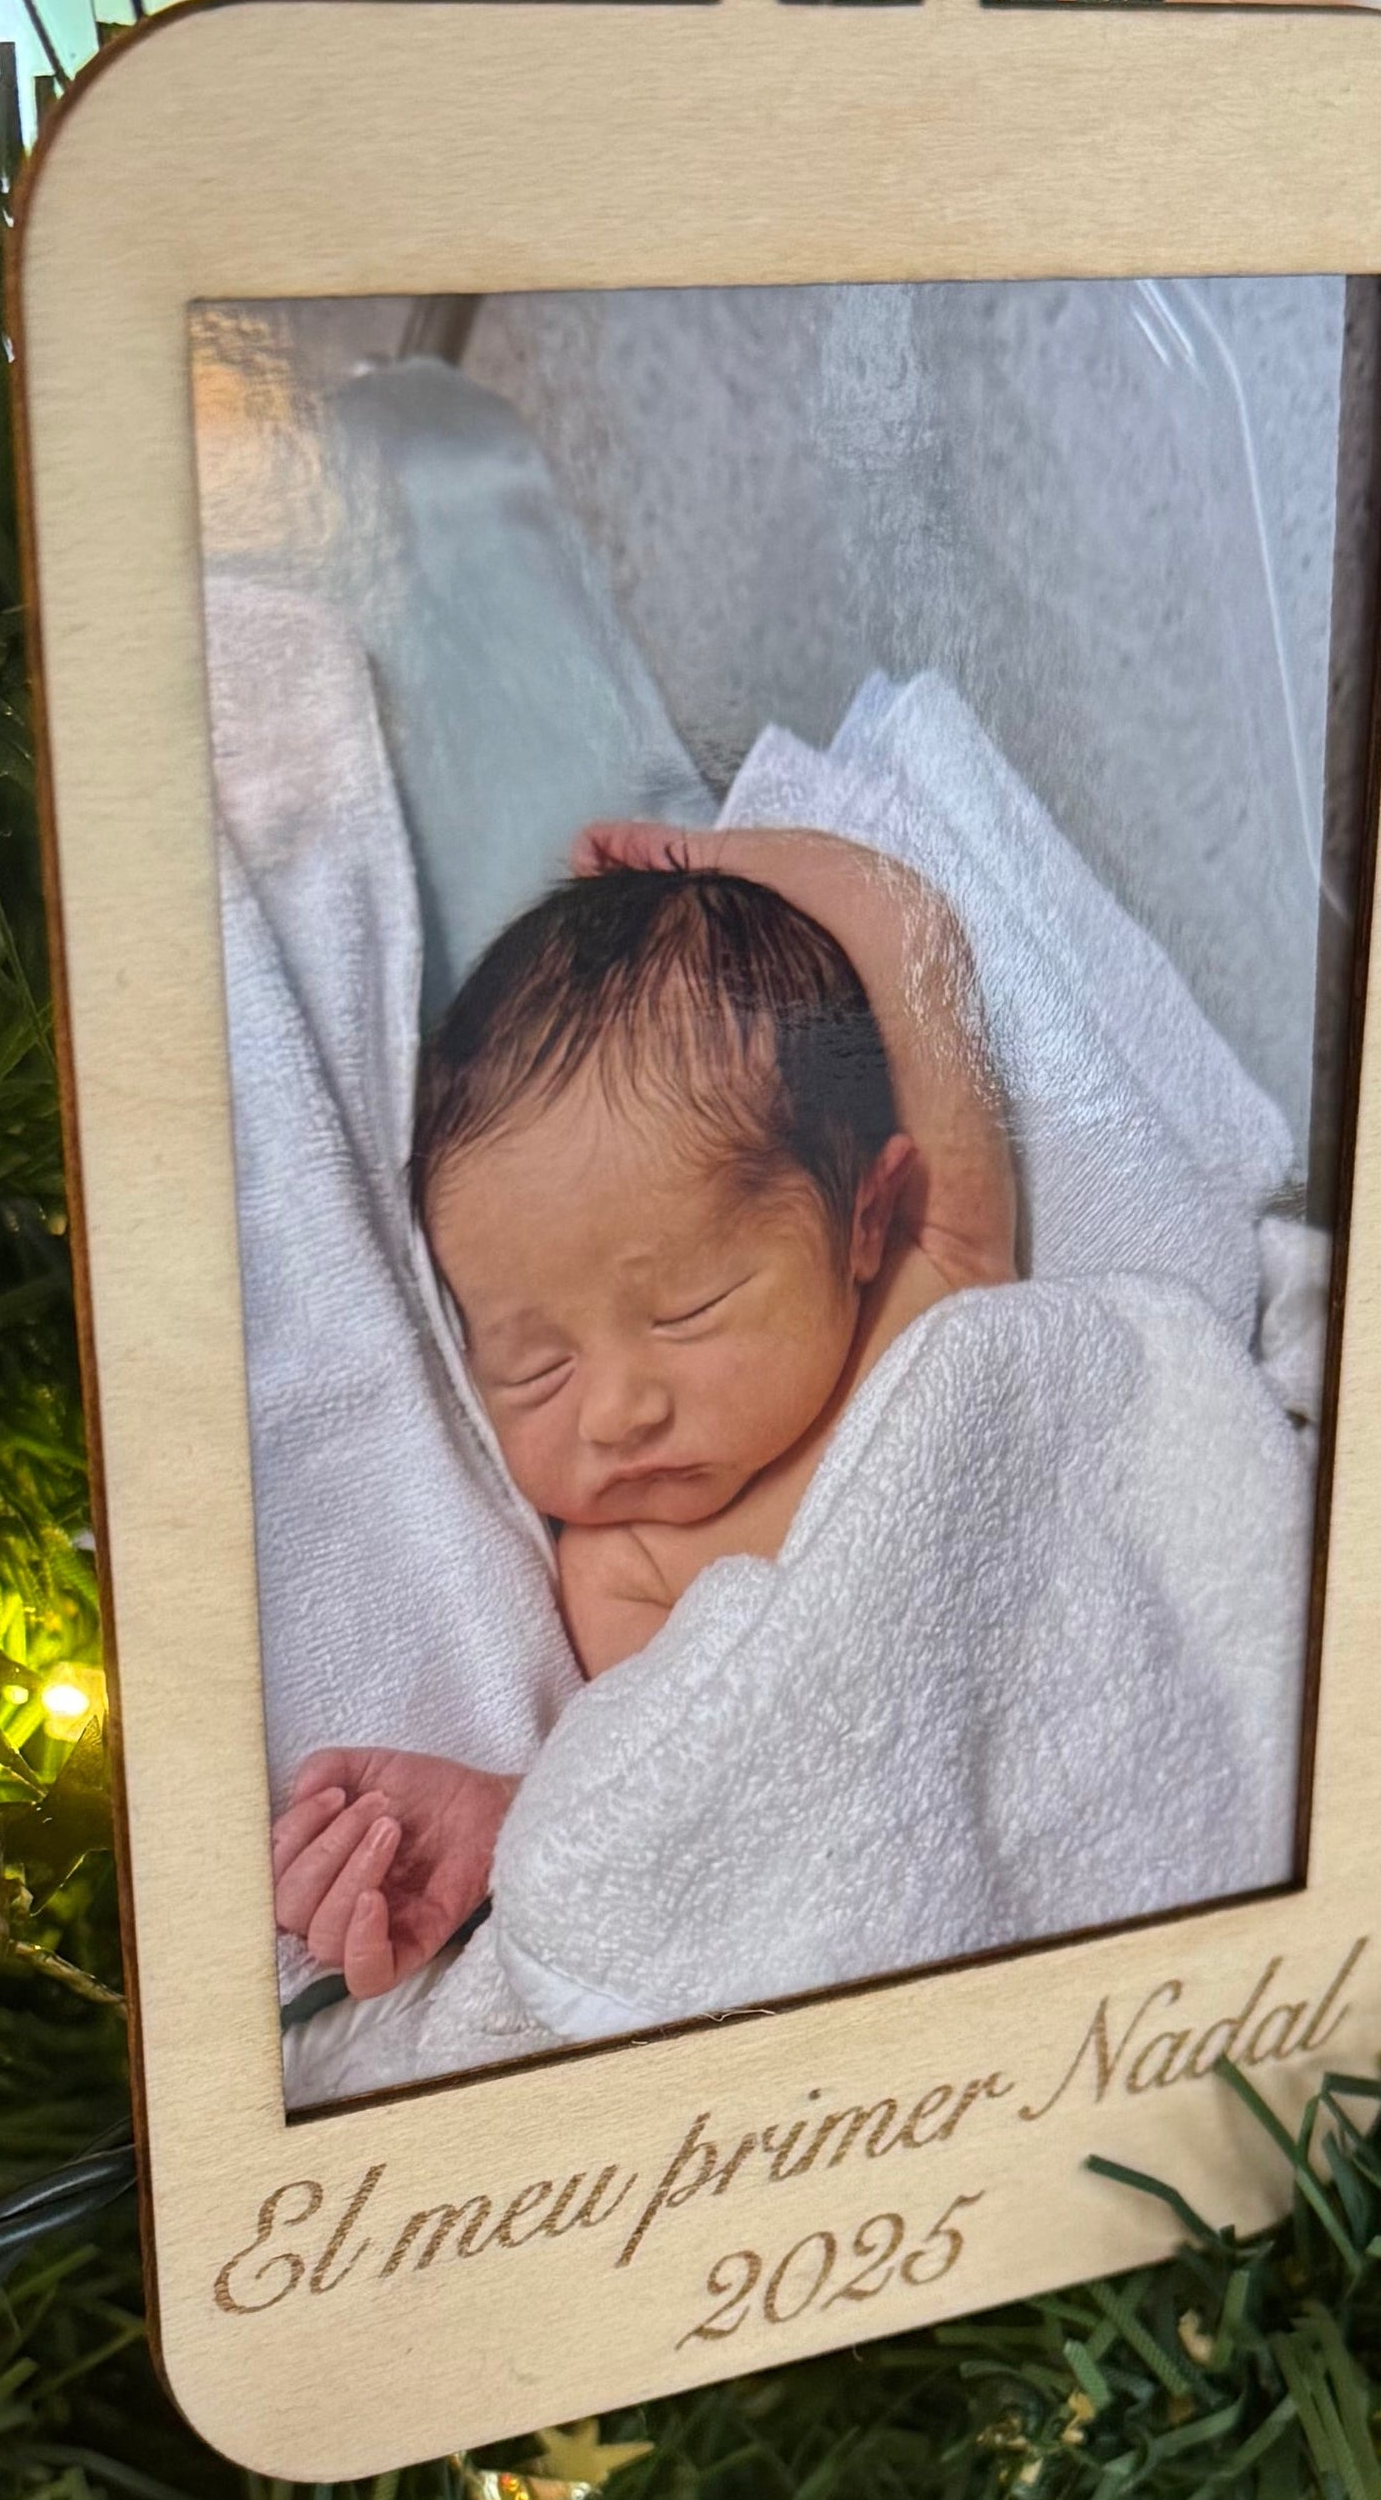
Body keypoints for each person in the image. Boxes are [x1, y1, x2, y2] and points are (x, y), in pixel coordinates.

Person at [270, 820, 1015, 1996]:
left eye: (687, 1309)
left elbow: (915, 935)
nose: (615, 1412)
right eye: (535, 1368)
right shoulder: (620, 1565)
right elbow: (674, 1794)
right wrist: (502, 1825)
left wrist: (710, 856)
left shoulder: (933, 1291)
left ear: (866, 1220)